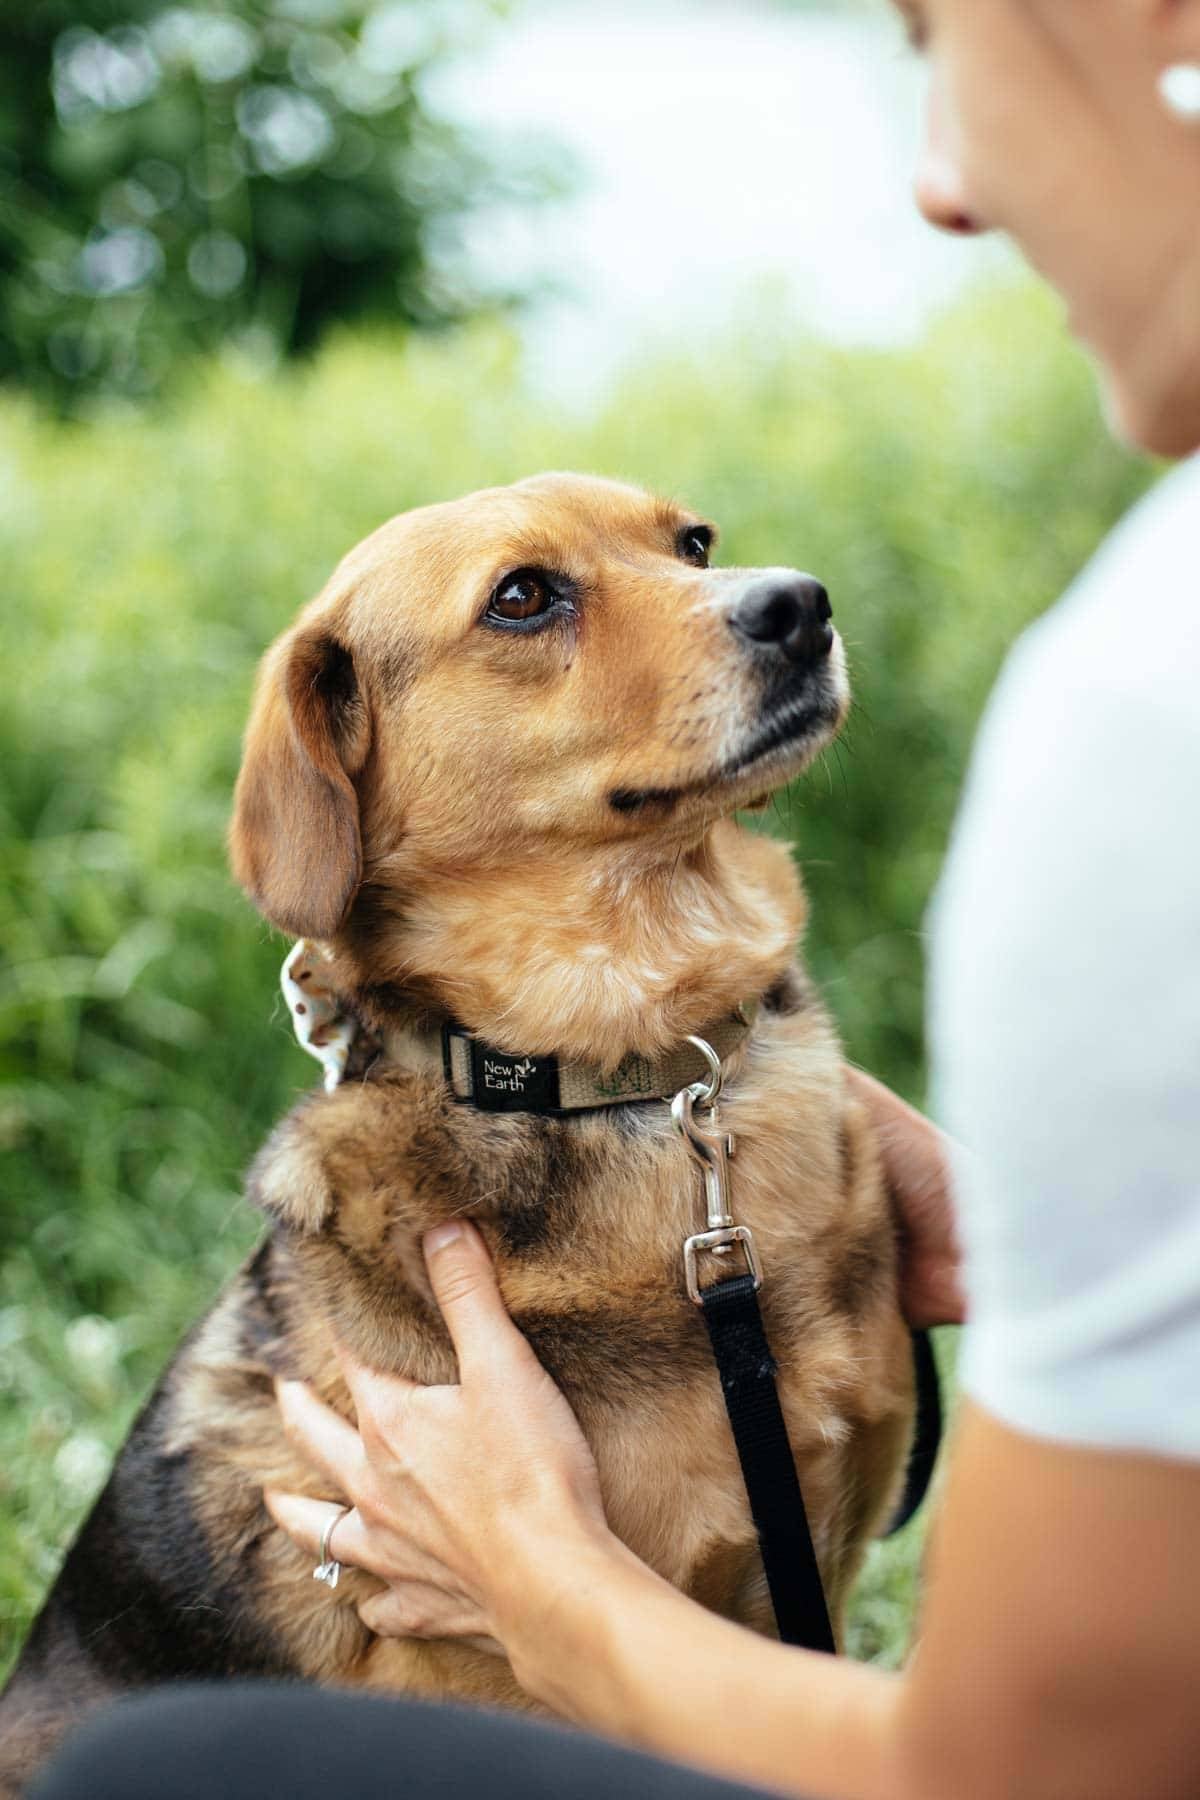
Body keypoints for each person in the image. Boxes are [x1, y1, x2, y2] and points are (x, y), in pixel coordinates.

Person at [31, 2, 1200, 1797]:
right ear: (349, 756)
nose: (741, 602)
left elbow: (1032, 1762)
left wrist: (549, 1582)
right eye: (532, 604)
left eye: (687, 551)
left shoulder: (1131, 718)